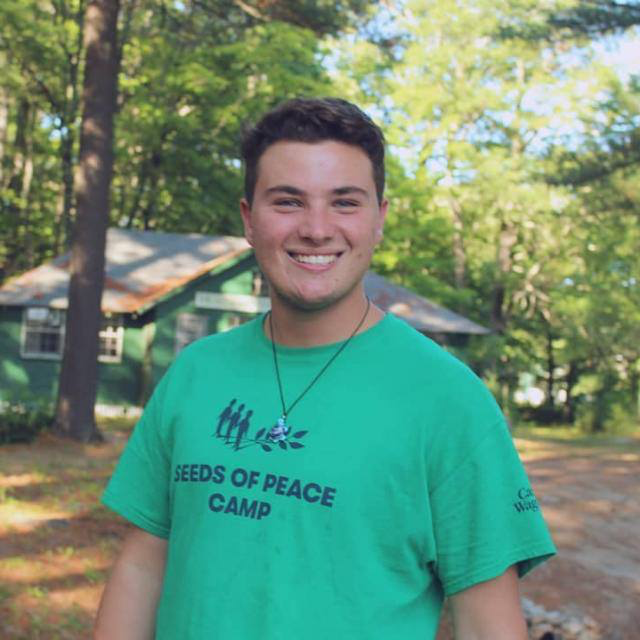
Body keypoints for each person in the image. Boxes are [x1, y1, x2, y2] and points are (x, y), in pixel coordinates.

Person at [94, 97, 555, 640]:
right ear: (249, 218)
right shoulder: (195, 372)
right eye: (288, 201)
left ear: (380, 220)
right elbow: (144, 565)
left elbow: (487, 625)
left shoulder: (448, 399)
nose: (316, 229)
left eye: (345, 202)